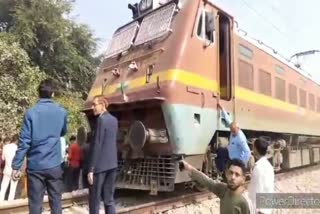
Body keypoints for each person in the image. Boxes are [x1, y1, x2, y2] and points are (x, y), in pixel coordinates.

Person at [11, 79, 67, 214]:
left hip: (36, 166)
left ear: (39, 94)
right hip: (54, 164)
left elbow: (24, 141)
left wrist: (16, 166)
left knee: (35, 204)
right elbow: (63, 132)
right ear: (52, 94)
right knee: (56, 202)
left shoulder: (30, 113)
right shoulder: (61, 112)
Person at [180, 159, 253, 214]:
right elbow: (207, 181)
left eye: (237, 175)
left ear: (243, 179)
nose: (233, 177)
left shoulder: (245, 201)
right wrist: (188, 167)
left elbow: (263, 191)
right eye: (231, 173)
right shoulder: (224, 190)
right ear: (226, 174)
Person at [88, 95, 118, 214]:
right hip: (112, 165)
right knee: (109, 199)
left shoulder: (101, 120)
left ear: (103, 105)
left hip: (99, 167)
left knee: (94, 200)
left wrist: (91, 168)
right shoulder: (114, 120)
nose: (92, 107)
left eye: (94, 105)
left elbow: (98, 144)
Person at [248, 138, 274, 214]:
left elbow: (256, 192)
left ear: (255, 150)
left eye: (253, 147)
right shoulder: (268, 165)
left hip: (260, 210)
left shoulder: (258, 168)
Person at [0, 135, 18, 201]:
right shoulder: (18, 148)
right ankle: (10, 202)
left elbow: (3, 158)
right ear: (17, 141)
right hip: (15, 170)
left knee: (3, 187)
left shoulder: (5, 147)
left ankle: (1, 202)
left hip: (6, 170)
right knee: (12, 189)